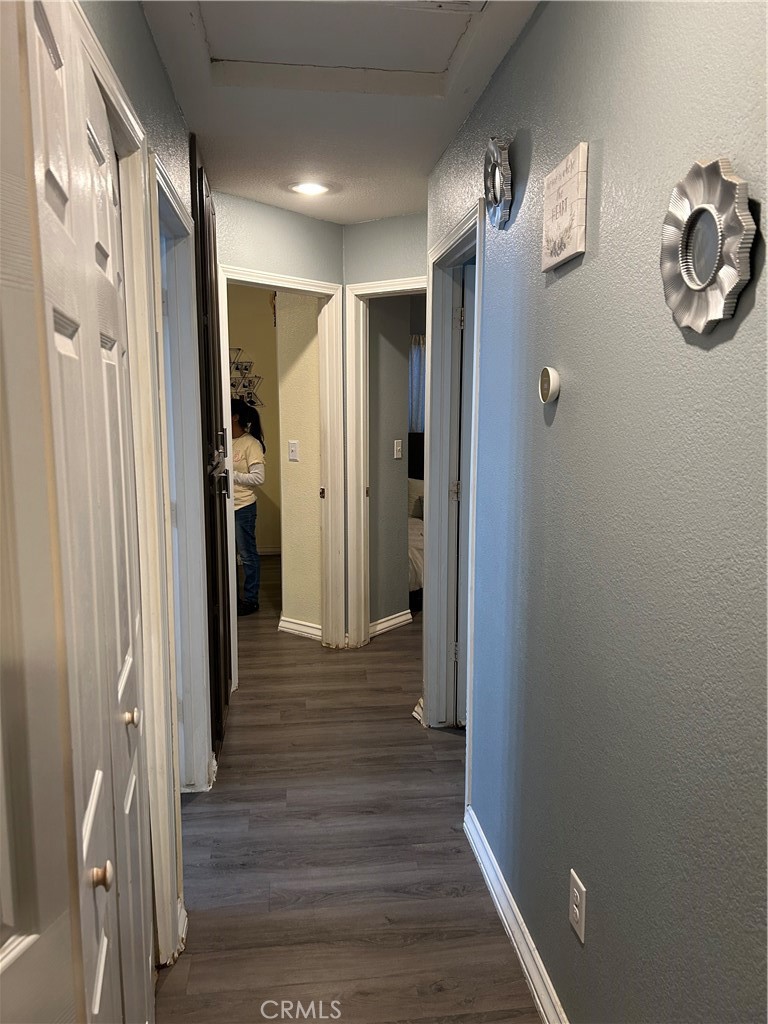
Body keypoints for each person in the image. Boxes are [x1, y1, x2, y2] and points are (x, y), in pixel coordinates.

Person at [231, 398, 266, 615]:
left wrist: (229, 475)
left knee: (247, 555)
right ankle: (231, 598)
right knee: (227, 555)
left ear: (235, 417)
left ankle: (251, 599)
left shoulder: (251, 443)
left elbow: (258, 477)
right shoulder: (225, 440)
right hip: (225, 507)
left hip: (243, 508)